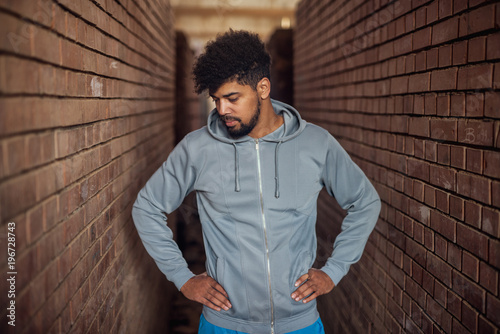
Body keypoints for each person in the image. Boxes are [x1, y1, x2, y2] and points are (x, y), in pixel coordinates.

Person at [132, 30, 381, 334]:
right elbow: (147, 207)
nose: (221, 109)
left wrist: (334, 270)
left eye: (232, 98)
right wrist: (183, 278)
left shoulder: (316, 144)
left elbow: (365, 201)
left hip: (299, 324)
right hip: (224, 324)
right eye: (216, 99)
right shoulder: (197, 149)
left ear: (263, 88)